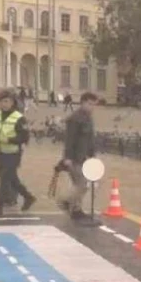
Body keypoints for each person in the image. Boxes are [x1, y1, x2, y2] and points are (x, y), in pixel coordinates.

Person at [0, 89, 36, 218]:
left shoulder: (19, 118)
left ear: (13, 102)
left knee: (4, 179)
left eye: (6, 101)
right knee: (11, 179)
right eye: (2, 101)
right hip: (0, 152)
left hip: (13, 153)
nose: (4, 104)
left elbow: (24, 137)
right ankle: (28, 197)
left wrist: (9, 140)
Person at [58, 92, 99, 222]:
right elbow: (70, 139)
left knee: (80, 183)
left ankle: (76, 209)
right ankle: (66, 202)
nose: (91, 107)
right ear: (82, 103)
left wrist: (92, 155)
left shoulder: (88, 117)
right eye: (89, 104)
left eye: (93, 104)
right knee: (82, 184)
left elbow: (89, 139)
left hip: (84, 157)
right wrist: (67, 157)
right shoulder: (75, 118)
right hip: (74, 157)